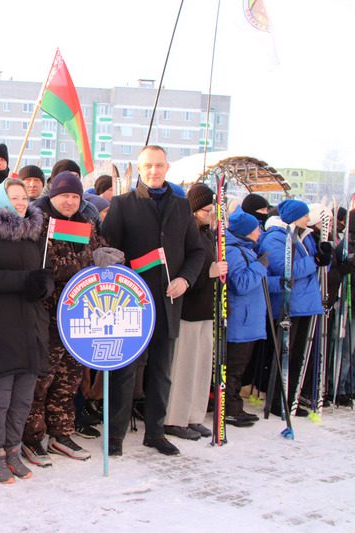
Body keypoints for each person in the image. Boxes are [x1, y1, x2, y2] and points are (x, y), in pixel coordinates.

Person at [100, 145, 204, 457]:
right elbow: (108, 251)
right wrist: (126, 282)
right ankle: (115, 436)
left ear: (167, 167)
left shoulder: (182, 206)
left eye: (159, 165)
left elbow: (196, 251)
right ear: (140, 168)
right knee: (125, 371)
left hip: (169, 302)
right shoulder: (122, 204)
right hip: (130, 303)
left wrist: (185, 279)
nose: (154, 171)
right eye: (148, 166)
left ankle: (155, 432)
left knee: (161, 370)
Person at [0, 178, 52, 483]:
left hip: (31, 323)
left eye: (24, 197)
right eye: (14, 197)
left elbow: (44, 272)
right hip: (3, 324)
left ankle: (13, 449)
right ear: (2, 200)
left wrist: (42, 286)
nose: (20, 202)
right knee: (1, 397)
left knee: (23, 398)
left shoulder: (35, 231)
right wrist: (24, 282)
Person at [21, 172, 96, 466]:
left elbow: (99, 253)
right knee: (42, 379)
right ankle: (31, 437)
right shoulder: (40, 223)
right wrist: (87, 262)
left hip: (78, 316)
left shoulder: (87, 225)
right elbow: (48, 266)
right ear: (53, 195)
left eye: (75, 196)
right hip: (47, 315)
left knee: (69, 379)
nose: (70, 201)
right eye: (65, 195)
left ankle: (61, 432)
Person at [163, 184, 227, 440]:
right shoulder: (186, 233)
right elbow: (183, 269)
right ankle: (175, 418)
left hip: (206, 310)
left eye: (212, 211)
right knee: (184, 367)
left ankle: (194, 414)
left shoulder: (208, 234)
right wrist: (207, 273)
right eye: (206, 211)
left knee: (201, 367)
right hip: (188, 309)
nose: (210, 215)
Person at [260, 199, 326, 417]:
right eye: (304, 215)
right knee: (285, 356)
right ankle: (280, 401)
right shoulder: (276, 238)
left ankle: (291, 399)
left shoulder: (299, 236)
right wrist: (314, 261)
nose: (308, 219)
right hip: (290, 304)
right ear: (294, 216)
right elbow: (285, 270)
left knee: (298, 355)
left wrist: (320, 256)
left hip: (304, 303)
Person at [224, 208, 269, 427]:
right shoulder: (234, 252)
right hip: (240, 322)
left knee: (239, 368)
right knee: (233, 369)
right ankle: (230, 409)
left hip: (247, 320)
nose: (259, 232)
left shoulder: (244, 249)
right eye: (255, 228)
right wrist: (260, 267)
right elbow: (240, 284)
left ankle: (234, 406)